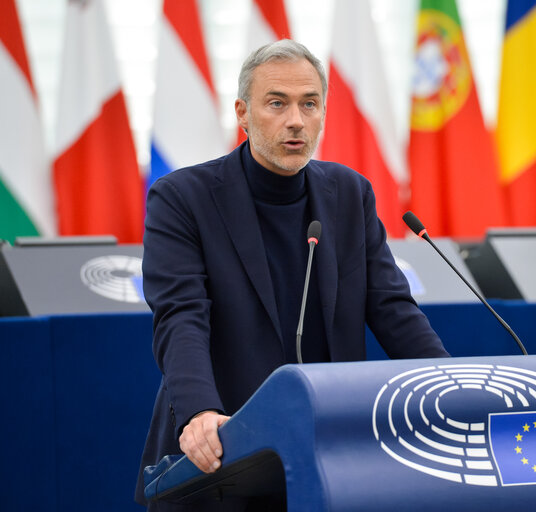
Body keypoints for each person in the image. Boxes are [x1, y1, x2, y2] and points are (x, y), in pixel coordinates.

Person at [135, 39, 449, 511]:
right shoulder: (183, 198)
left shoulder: (348, 193)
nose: (296, 121)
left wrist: (454, 387)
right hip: (223, 455)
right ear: (243, 112)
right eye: (277, 103)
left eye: (309, 103)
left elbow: (392, 308)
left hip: (328, 451)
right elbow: (181, 316)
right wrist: (200, 410)